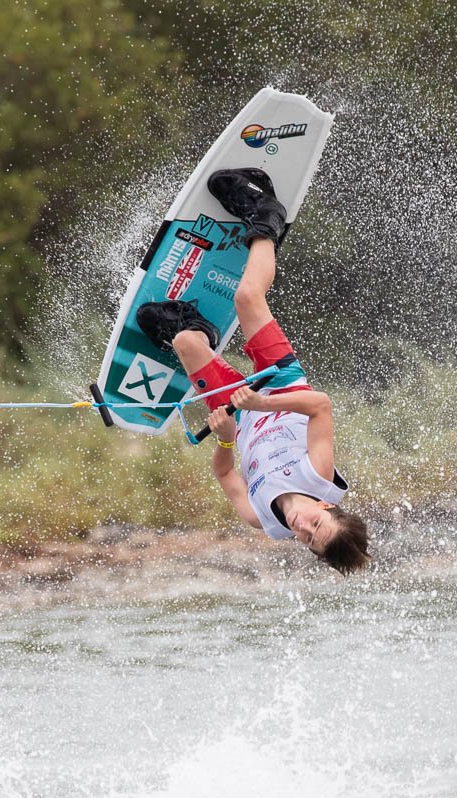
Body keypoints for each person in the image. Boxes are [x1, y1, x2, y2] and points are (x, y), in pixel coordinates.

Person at [136, 169, 370, 575]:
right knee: (246, 297)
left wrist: (226, 440)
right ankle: (266, 216)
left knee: (181, 341)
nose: (303, 527)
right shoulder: (319, 475)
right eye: (316, 524)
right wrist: (263, 402)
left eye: (308, 540)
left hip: (237, 414)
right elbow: (320, 406)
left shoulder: (261, 519)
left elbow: (226, 476)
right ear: (326, 506)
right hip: (280, 379)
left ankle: (196, 329)